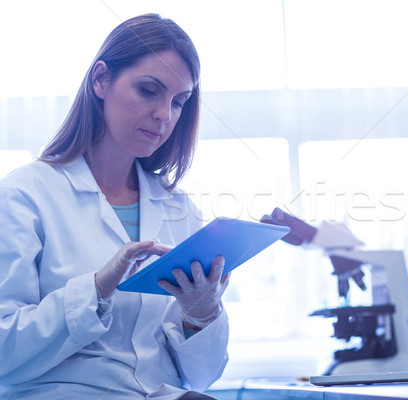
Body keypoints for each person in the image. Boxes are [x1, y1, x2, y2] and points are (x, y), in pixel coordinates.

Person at [0, 14, 230, 399]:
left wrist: (201, 314)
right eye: (148, 90)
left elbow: (202, 377)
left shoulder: (179, 209)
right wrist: (97, 288)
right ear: (101, 80)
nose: (164, 115)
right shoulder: (24, 195)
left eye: (179, 102)